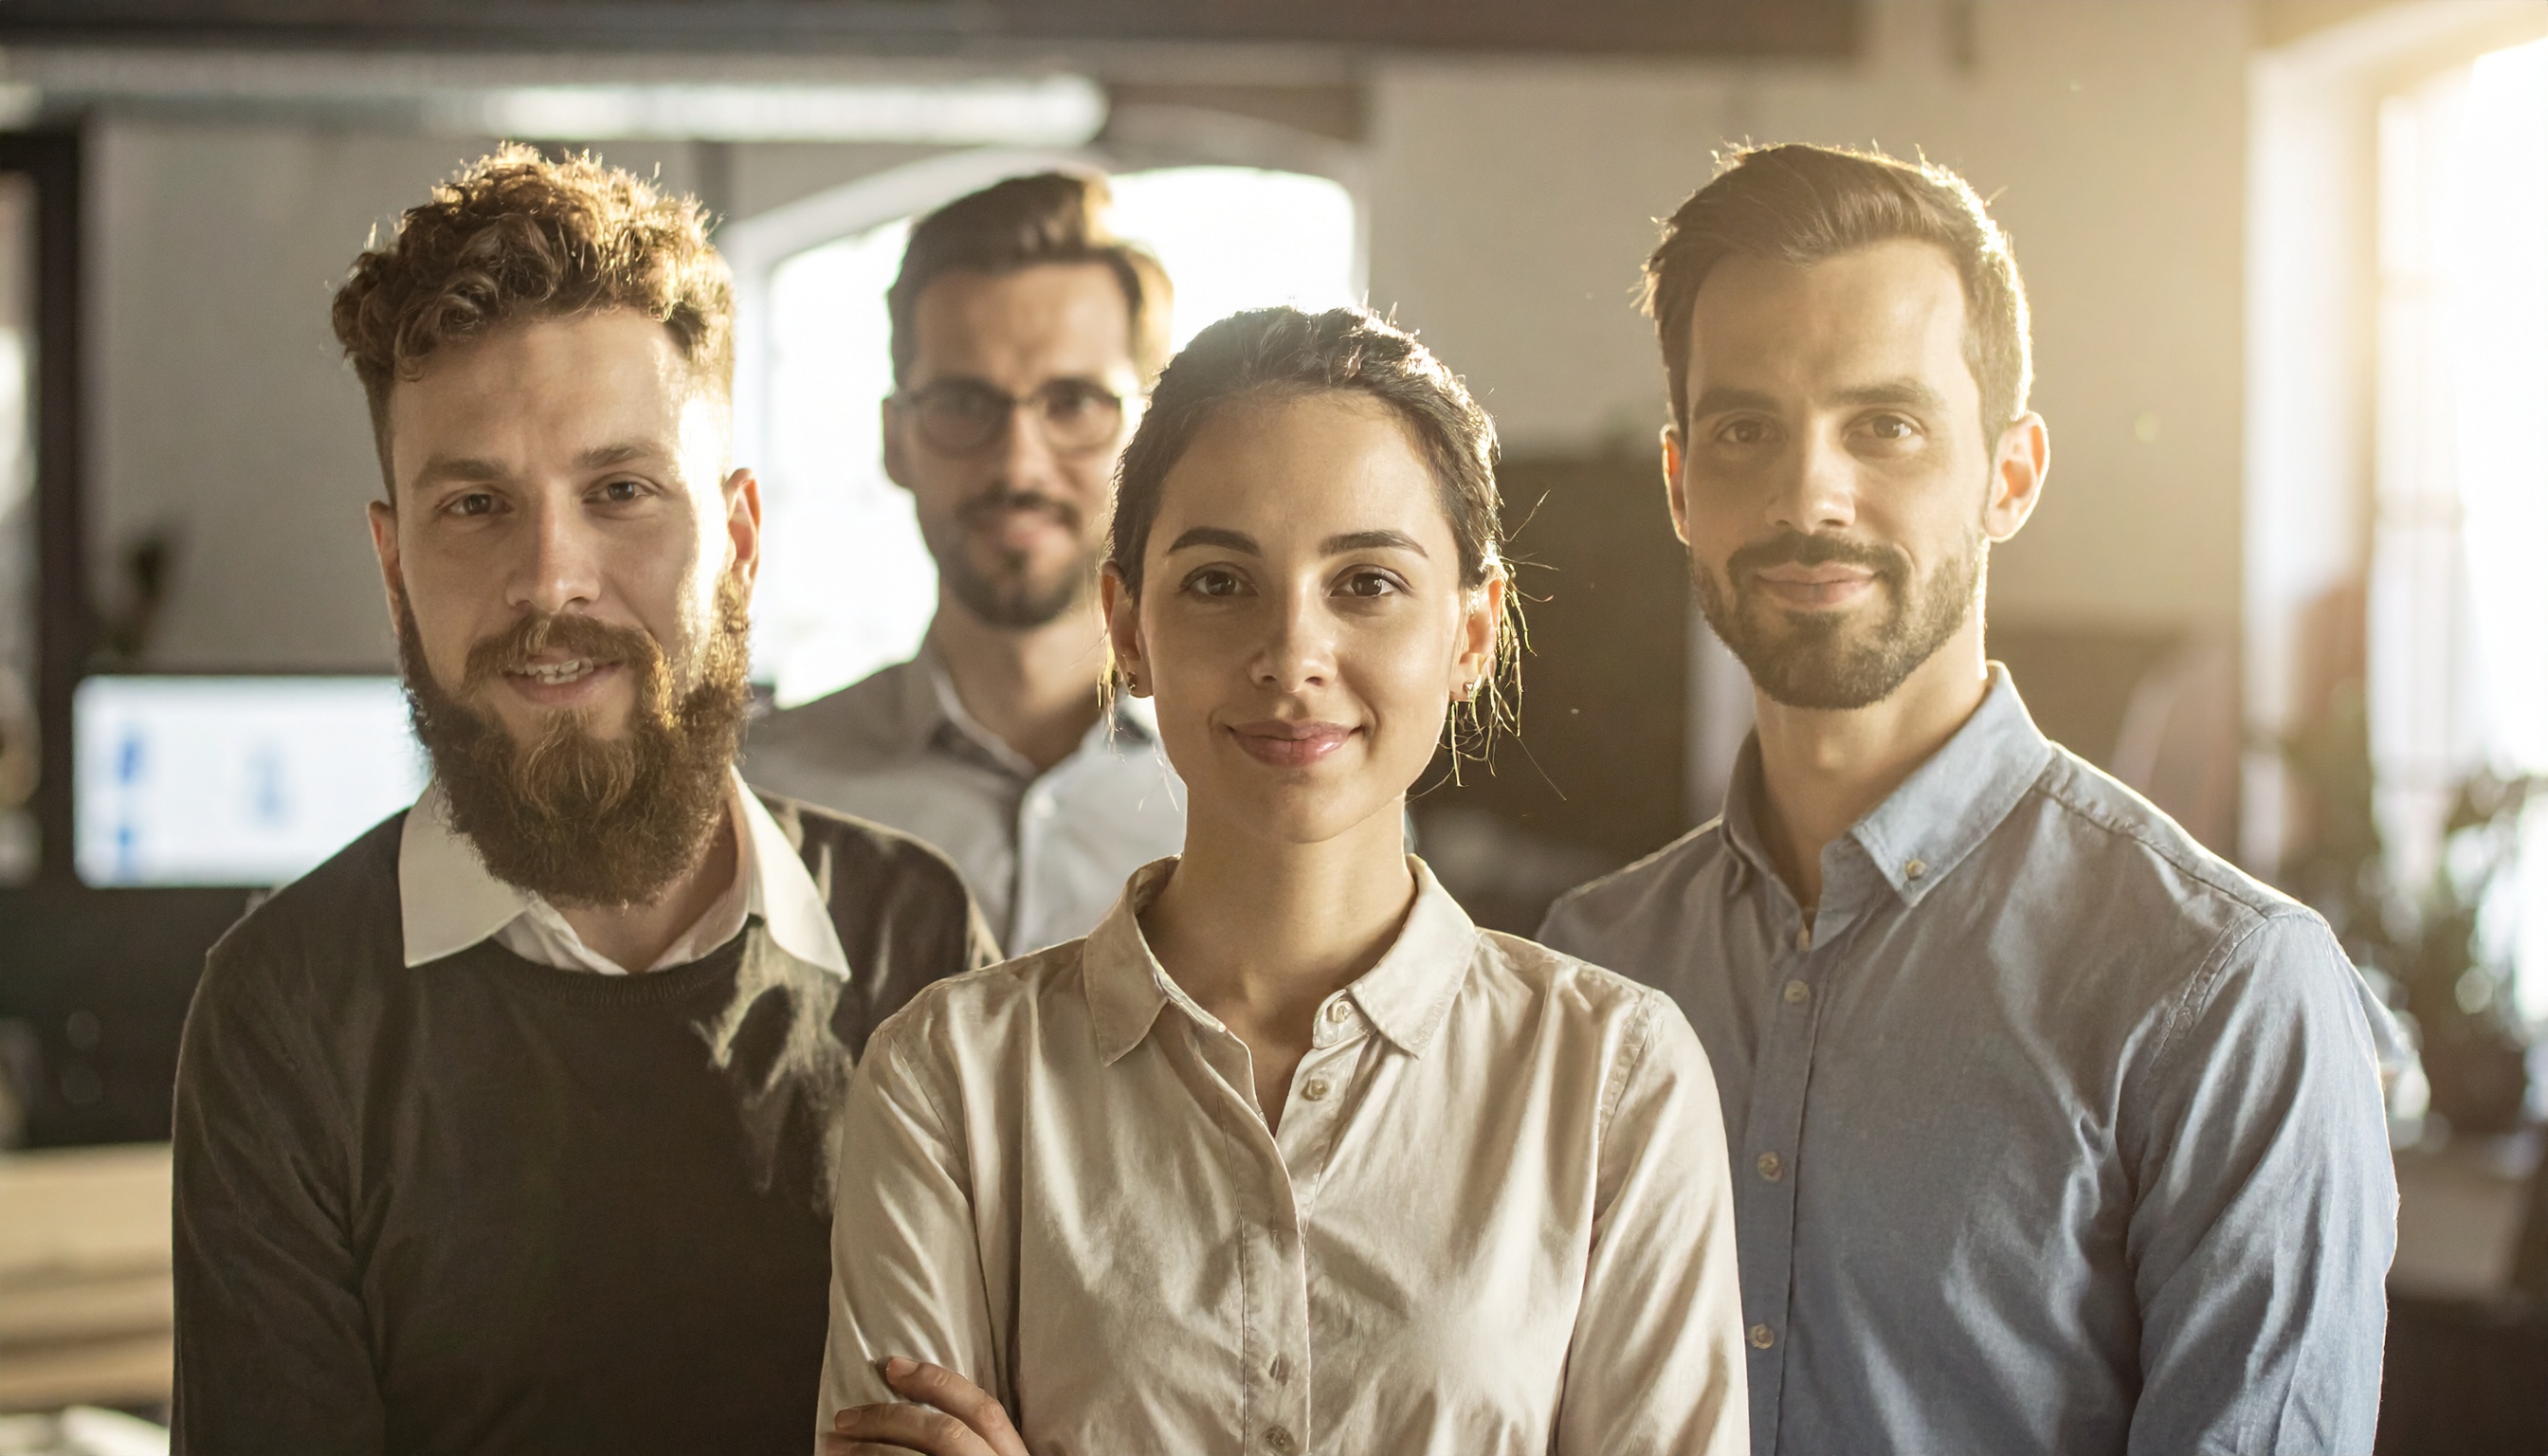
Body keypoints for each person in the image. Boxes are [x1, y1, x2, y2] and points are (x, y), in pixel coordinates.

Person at [1538, 143, 2396, 1455]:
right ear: (1678, 486)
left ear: (2011, 475)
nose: (1807, 493)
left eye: (1885, 426)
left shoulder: (2228, 994)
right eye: (1745, 430)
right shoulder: (1587, 969)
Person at [168, 149, 992, 1455]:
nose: (550, 578)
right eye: (475, 505)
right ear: (394, 567)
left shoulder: (918, 941)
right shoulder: (288, 1013)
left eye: (620, 493)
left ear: (740, 541)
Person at [814, 306, 1749, 1455]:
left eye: (1367, 583)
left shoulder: (1616, 1080)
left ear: (1471, 633)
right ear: (1128, 628)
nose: (1293, 654)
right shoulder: (948, 1079)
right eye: (1220, 583)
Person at [746, 173, 1184, 956]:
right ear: (894, 440)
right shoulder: (764, 798)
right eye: (963, 404)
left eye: (1075, 403)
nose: (1018, 464)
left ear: (1151, 441)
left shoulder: (1255, 794)